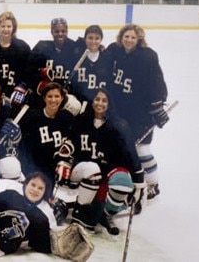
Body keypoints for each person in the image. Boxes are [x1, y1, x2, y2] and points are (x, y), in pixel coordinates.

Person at [55, 88, 144, 234]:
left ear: (110, 104)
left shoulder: (119, 125)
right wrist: (64, 162)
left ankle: (106, 213)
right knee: (92, 169)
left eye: (104, 100)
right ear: (92, 101)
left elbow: (131, 156)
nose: (100, 103)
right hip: (82, 169)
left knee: (122, 181)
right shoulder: (82, 119)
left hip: (106, 173)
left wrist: (138, 185)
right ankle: (80, 215)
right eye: (97, 99)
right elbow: (69, 144)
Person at [106, 23, 169, 205]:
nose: (129, 40)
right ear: (121, 37)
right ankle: (132, 182)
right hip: (121, 110)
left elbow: (157, 82)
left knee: (141, 150)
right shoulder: (115, 51)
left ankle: (153, 183)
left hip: (140, 113)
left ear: (139, 39)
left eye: (133, 37)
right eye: (126, 36)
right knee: (124, 148)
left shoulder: (147, 57)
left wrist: (157, 105)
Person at [18, 82, 74, 183]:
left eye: (57, 96)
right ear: (44, 98)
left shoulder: (67, 117)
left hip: (57, 167)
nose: (53, 100)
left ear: (62, 98)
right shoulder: (33, 117)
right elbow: (25, 146)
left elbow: (71, 139)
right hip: (36, 168)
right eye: (50, 96)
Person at [0, 11, 32, 98]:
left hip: (15, 94)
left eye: (9, 26)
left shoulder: (23, 47)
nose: (5, 29)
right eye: (3, 26)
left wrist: (23, 87)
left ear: (13, 28)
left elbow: (28, 72)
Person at [68, 25, 113, 103]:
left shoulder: (107, 57)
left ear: (101, 39)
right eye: (90, 38)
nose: (93, 41)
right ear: (85, 39)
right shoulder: (76, 55)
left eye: (97, 38)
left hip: (99, 103)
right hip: (79, 101)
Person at [32, 18, 83, 86]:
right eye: (56, 31)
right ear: (52, 32)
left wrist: (98, 47)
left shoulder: (73, 47)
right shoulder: (41, 47)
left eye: (63, 31)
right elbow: (31, 69)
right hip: (48, 91)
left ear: (67, 31)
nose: (60, 34)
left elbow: (87, 45)